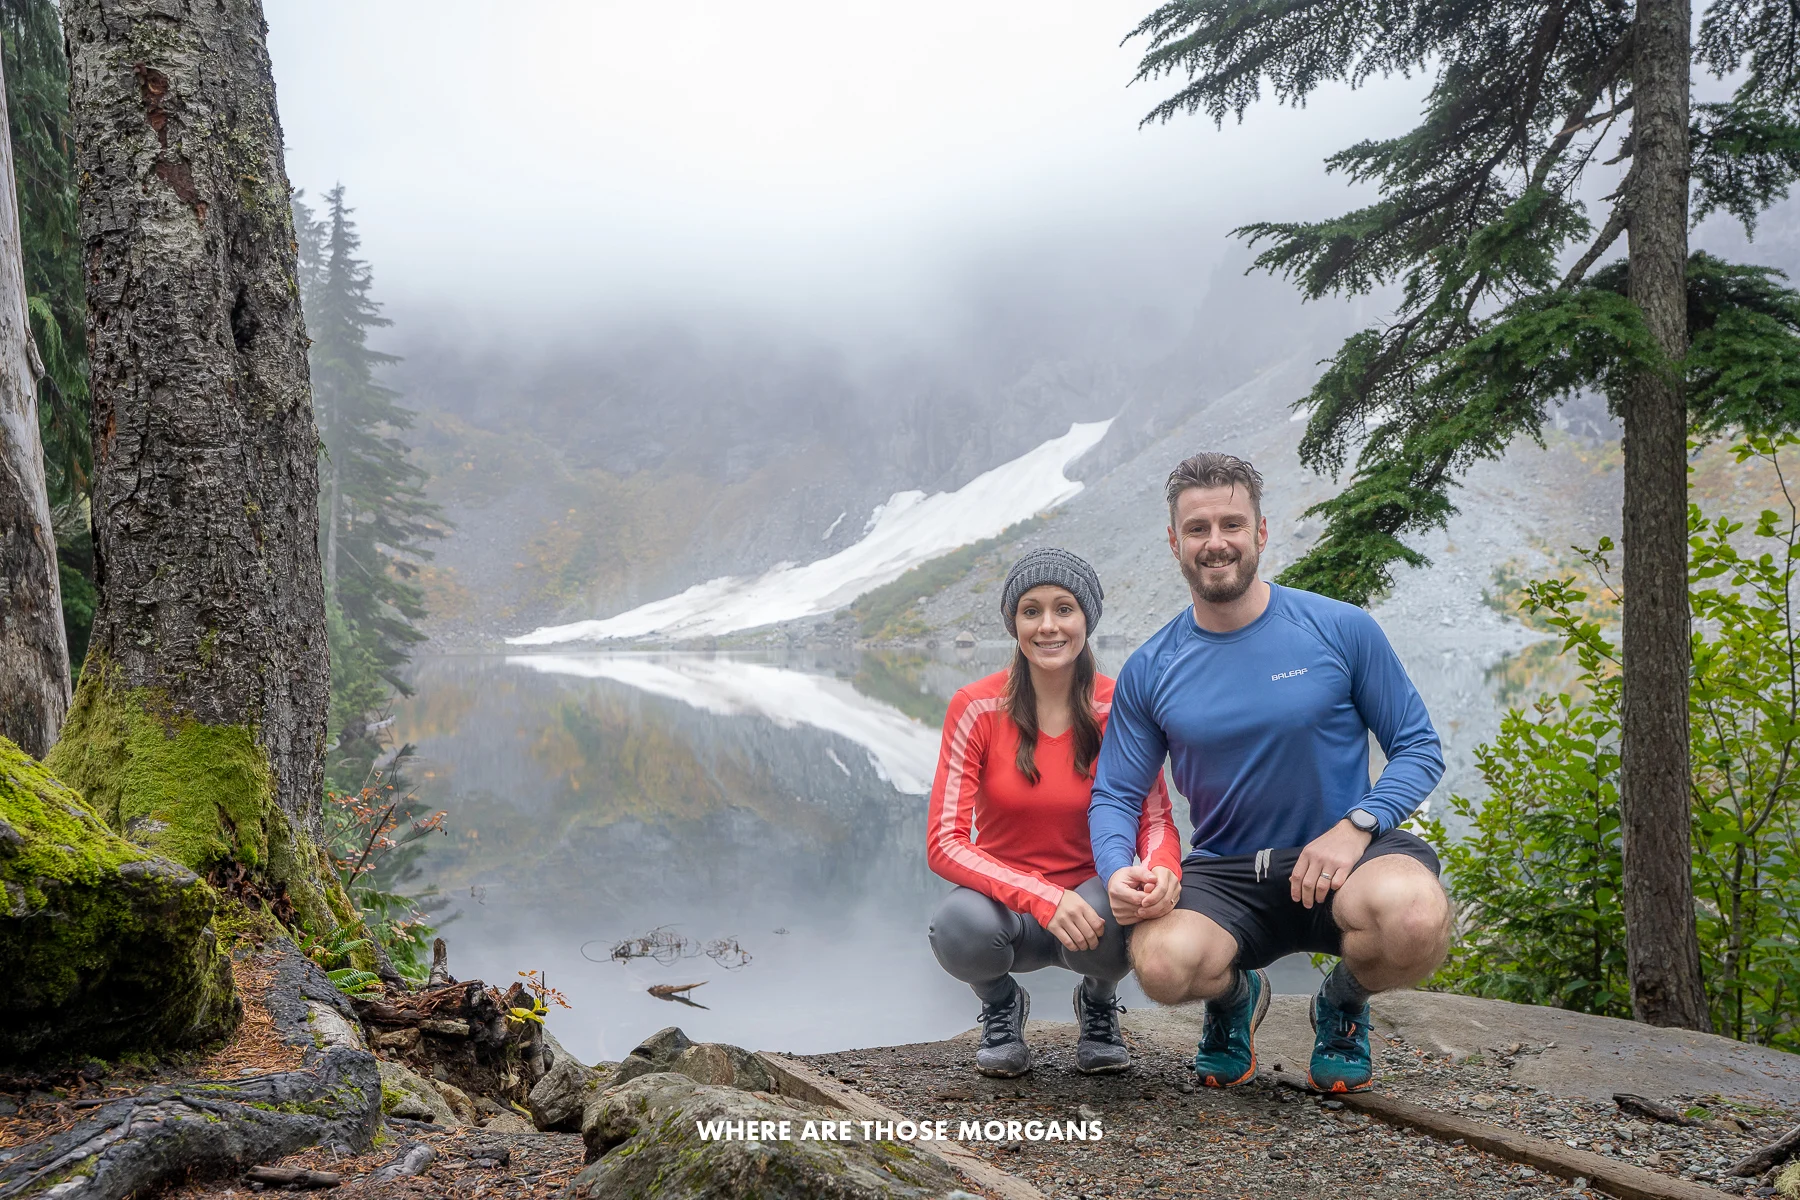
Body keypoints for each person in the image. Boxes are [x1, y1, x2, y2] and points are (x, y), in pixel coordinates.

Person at [1088, 453, 1451, 1094]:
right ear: (1175, 543)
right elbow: (1116, 791)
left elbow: (1419, 747)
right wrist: (1119, 868)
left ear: (1260, 531)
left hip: (1347, 857)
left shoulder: (1340, 628)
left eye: (1232, 523)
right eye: (1197, 528)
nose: (1216, 542)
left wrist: (1357, 825)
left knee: (1417, 919)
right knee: (1161, 967)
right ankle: (1233, 1000)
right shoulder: (1152, 666)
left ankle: (1340, 1003)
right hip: (1230, 872)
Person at [927, 548, 1183, 1078]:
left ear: (1086, 618)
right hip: (1007, 903)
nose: (1048, 626)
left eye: (1064, 609)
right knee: (956, 926)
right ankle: (1001, 1005)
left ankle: (1098, 1001)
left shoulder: (1121, 705)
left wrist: (1163, 871)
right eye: (1031, 611)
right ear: (1013, 623)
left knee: (1128, 912)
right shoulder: (975, 706)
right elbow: (945, 843)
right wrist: (1042, 897)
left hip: (1092, 900)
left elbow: (1154, 818)